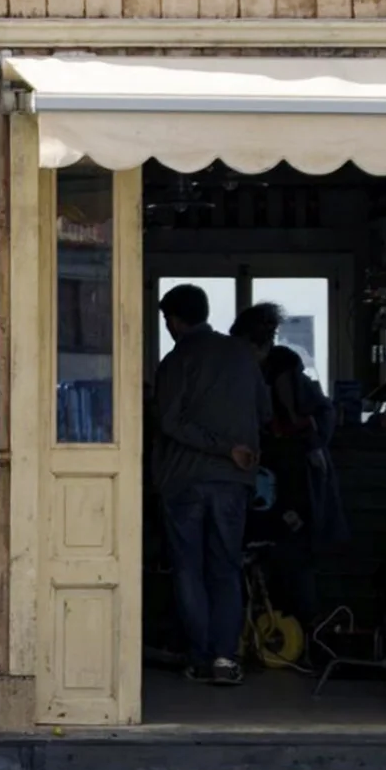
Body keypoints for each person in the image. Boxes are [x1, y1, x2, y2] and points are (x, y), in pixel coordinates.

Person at [153, 284, 272, 686]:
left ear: (172, 320)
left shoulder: (175, 361)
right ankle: (225, 657)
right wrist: (232, 448)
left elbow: (169, 421)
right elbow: (265, 411)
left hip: (183, 480)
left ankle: (201, 657)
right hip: (232, 483)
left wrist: (217, 446)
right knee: (225, 568)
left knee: (188, 570)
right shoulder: (241, 354)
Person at [230, 303, 349, 637]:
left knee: (287, 557)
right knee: (289, 556)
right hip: (282, 482)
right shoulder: (285, 375)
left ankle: (296, 629)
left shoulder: (275, 375)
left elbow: (305, 425)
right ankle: (297, 630)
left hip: (286, 481)